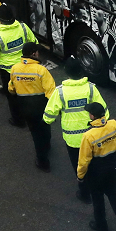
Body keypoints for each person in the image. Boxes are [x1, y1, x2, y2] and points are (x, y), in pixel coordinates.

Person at [42, 55, 107, 201]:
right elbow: (105, 112)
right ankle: (97, 189)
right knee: (94, 163)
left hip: (72, 140)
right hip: (92, 136)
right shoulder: (91, 89)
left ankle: (84, 194)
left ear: (67, 72)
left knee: (80, 167)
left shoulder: (60, 92)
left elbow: (48, 116)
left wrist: (48, 120)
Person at [78, 100, 116, 231]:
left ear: (92, 116)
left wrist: (80, 176)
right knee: (114, 193)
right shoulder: (113, 124)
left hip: (96, 170)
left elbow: (84, 160)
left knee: (97, 198)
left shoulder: (88, 135)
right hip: (113, 165)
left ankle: (101, 225)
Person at [0, 3, 37, 123]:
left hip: (8, 71)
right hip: (25, 66)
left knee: (12, 96)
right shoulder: (23, 27)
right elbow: (34, 42)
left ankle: (17, 120)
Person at [8, 43, 56, 169]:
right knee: (45, 127)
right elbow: (51, 92)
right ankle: (45, 151)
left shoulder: (14, 68)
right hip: (41, 106)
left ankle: (42, 157)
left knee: (35, 133)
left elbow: (11, 88)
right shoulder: (41, 70)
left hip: (25, 107)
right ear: (34, 54)